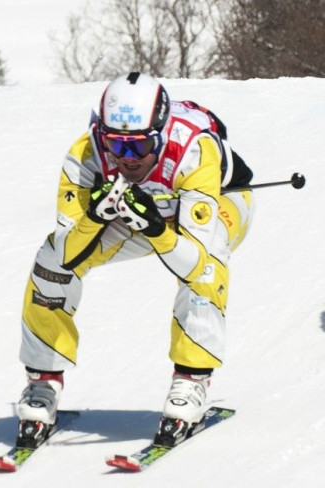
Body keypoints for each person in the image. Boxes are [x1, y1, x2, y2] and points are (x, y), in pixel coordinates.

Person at [15, 72, 255, 447]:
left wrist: (158, 228)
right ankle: (43, 382)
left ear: (160, 134)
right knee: (50, 262)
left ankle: (191, 382)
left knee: (207, 266)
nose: (127, 158)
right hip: (129, 212)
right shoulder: (86, 153)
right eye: (116, 144)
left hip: (221, 201)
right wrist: (94, 216)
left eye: (140, 146)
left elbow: (193, 262)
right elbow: (65, 252)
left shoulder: (194, 149)